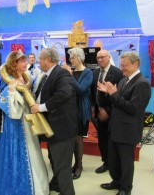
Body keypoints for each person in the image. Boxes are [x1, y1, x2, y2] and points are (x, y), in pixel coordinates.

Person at [0, 50, 49, 195]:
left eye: (25, 61)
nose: (26, 63)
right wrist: (12, 93)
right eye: (22, 61)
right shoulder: (8, 82)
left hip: (27, 121)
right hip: (13, 126)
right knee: (14, 155)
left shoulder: (25, 78)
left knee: (32, 151)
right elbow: (12, 111)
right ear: (14, 64)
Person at [98, 51, 151, 195]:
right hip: (115, 128)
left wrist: (114, 94)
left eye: (125, 65)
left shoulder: (142, 84)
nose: (122, 68)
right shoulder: (123, 80)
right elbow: (117, 103)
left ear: (135, 64)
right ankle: (116, 182)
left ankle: (126, 188)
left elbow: (133, 108)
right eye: (121, 65)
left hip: (128, 131)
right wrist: (108, 93)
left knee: (126, 162)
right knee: (114, 160)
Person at [31, 48, 77, 195]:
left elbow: (64, 94)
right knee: (55, 160)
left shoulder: (61, 73)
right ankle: (56, 185)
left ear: (49, 60)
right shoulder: (48, 75)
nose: (38, 62)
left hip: (62, 128)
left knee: (62, 166)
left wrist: (42, 107)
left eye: (40, 59)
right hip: (53, 127)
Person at [62, 47, 93, 180]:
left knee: (78, 137)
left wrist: (69, 75)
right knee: (73, 137)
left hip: (81, 108)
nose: (70, 60)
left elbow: (80, 90)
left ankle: (79, 165)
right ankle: (75, 164)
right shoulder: (73, 72)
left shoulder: (88, 72)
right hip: (71, 108)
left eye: (73, 57)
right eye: (70, 57)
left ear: (79, 58)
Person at [91, 49, 123, 174]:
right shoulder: (95, 73)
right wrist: (93, 106)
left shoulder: (117, 73)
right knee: (102, 139)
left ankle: (113, 163)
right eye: (98, 58)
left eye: (102, 57)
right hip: (98, 112)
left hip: (112, 113)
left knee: (111, 141)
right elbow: (92, 92)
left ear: (109, 57)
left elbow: (120, 95)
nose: (100, 60)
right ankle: (105, 162)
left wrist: (108, 110)